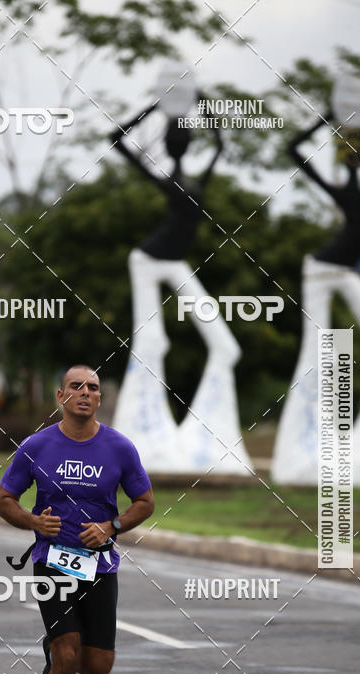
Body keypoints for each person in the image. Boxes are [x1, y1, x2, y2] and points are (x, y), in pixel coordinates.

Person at [0, 365, 154, 674]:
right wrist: (33, 522)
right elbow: (5, 500)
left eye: (94, 388)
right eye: (76, 386)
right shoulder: (36, 446)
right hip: (52, 562)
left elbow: (145, 502)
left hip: (99, 564)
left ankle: (56, 660)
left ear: (100, 399)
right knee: (68, 653)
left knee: (98, 666)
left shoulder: (120, 448)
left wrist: (112, 526)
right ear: (60, 396)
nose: (85, 392)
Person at [271, 106, 360, 488]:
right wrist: (328, 116)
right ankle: (302, 451)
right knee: (317, 356)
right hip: (319, 273)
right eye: (351, 149)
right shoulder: (343, 189)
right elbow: (293, 149)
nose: (357, 155)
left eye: (359, 148)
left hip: (345, 273)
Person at [109, 103, 251, 474]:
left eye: (184, 136)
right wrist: (155, 107)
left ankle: (208, 443)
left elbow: (220, 145)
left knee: (225, 345)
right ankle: (141, 441)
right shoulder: (168, 180)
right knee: (152, 343)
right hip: (146, 260)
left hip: (174, 262)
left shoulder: (196, 180)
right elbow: (117, 140)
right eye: (179, 137)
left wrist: (200, 104)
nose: (182, 142)